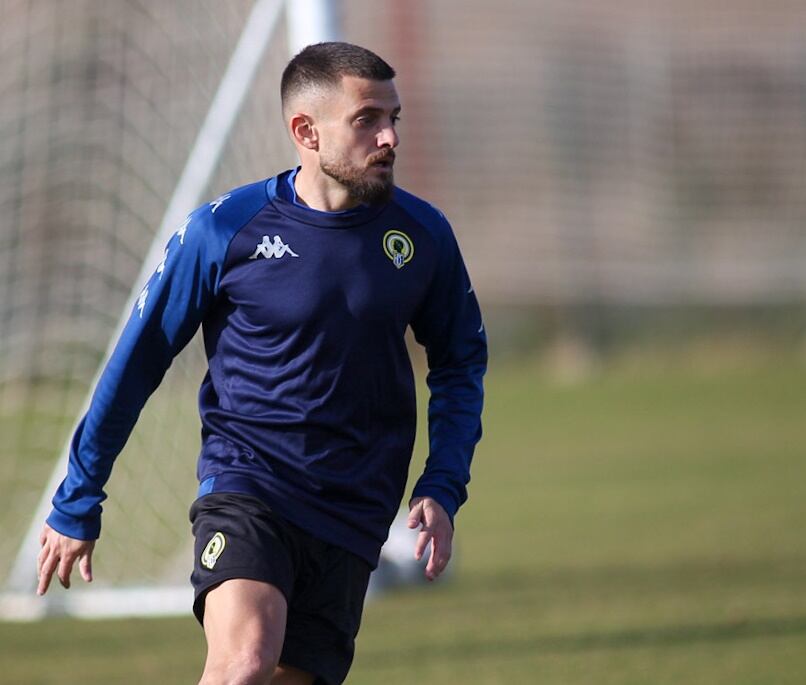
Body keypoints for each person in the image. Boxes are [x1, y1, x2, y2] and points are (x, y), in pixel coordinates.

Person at [35, 42, 487, 685]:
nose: (388, 137)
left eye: (394, 117)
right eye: (367, 120)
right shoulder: (225, 231)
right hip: (249, 485)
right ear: (305, 130)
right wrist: (79, 495)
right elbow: (135, 363)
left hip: (356, 506)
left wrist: (444, 483)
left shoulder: (423, 235)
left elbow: (460, 364)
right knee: (243, 661)